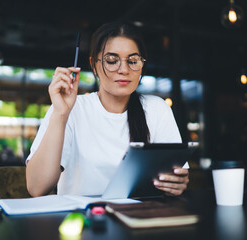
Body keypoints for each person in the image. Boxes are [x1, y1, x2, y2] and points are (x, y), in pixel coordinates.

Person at [26, 21, 189, 197]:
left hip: (138, 217)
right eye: (112, 61)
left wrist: (176, 183)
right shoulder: (69, 109)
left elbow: (175, 175)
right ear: (94, 65)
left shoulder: (157, 109)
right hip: (82, 219)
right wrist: (60, 114)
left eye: (133, 61)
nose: (124, 70)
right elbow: (37, 188)